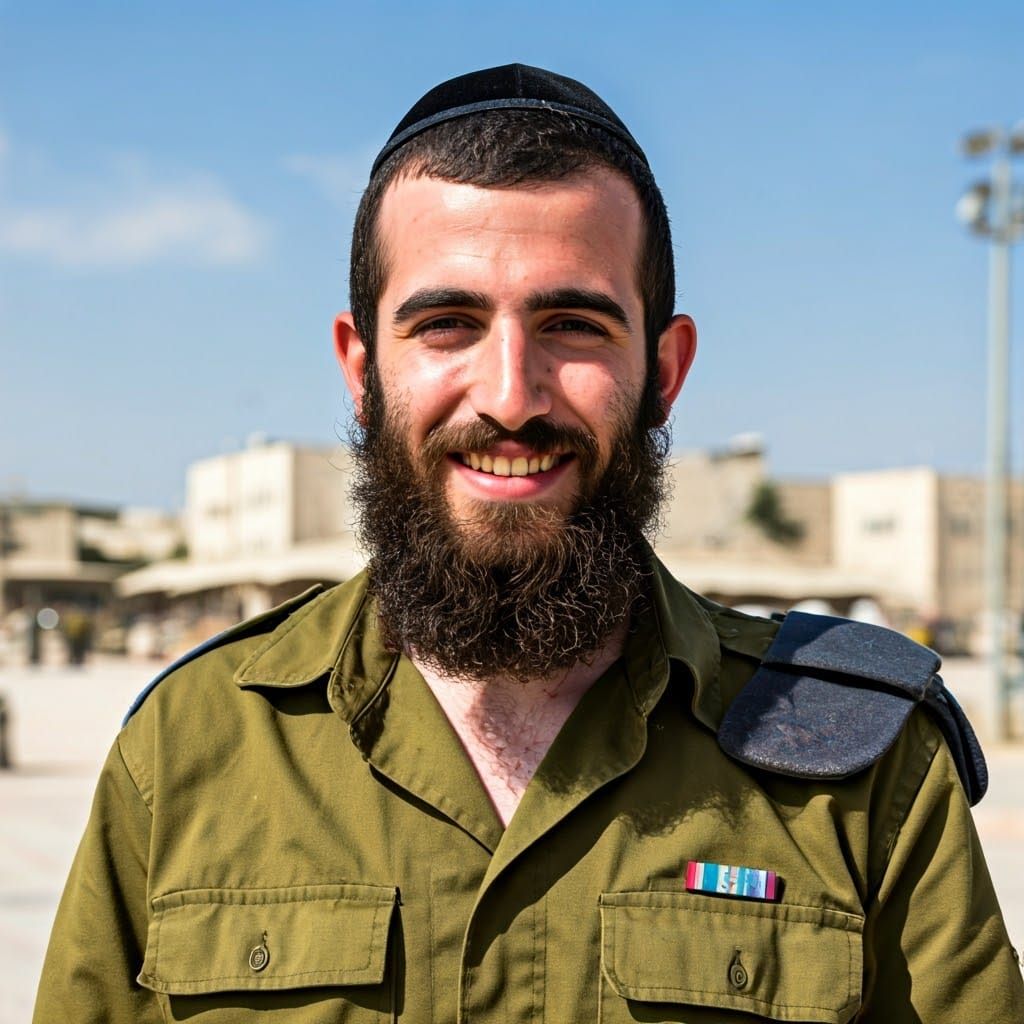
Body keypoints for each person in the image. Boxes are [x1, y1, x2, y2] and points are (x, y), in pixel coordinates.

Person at [35, 64, 1023, 1023]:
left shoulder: (864, 770)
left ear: (664, 371)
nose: (509, 394)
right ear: (360, 367)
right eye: (447, 324)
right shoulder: (188, 750)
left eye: (573, 326)